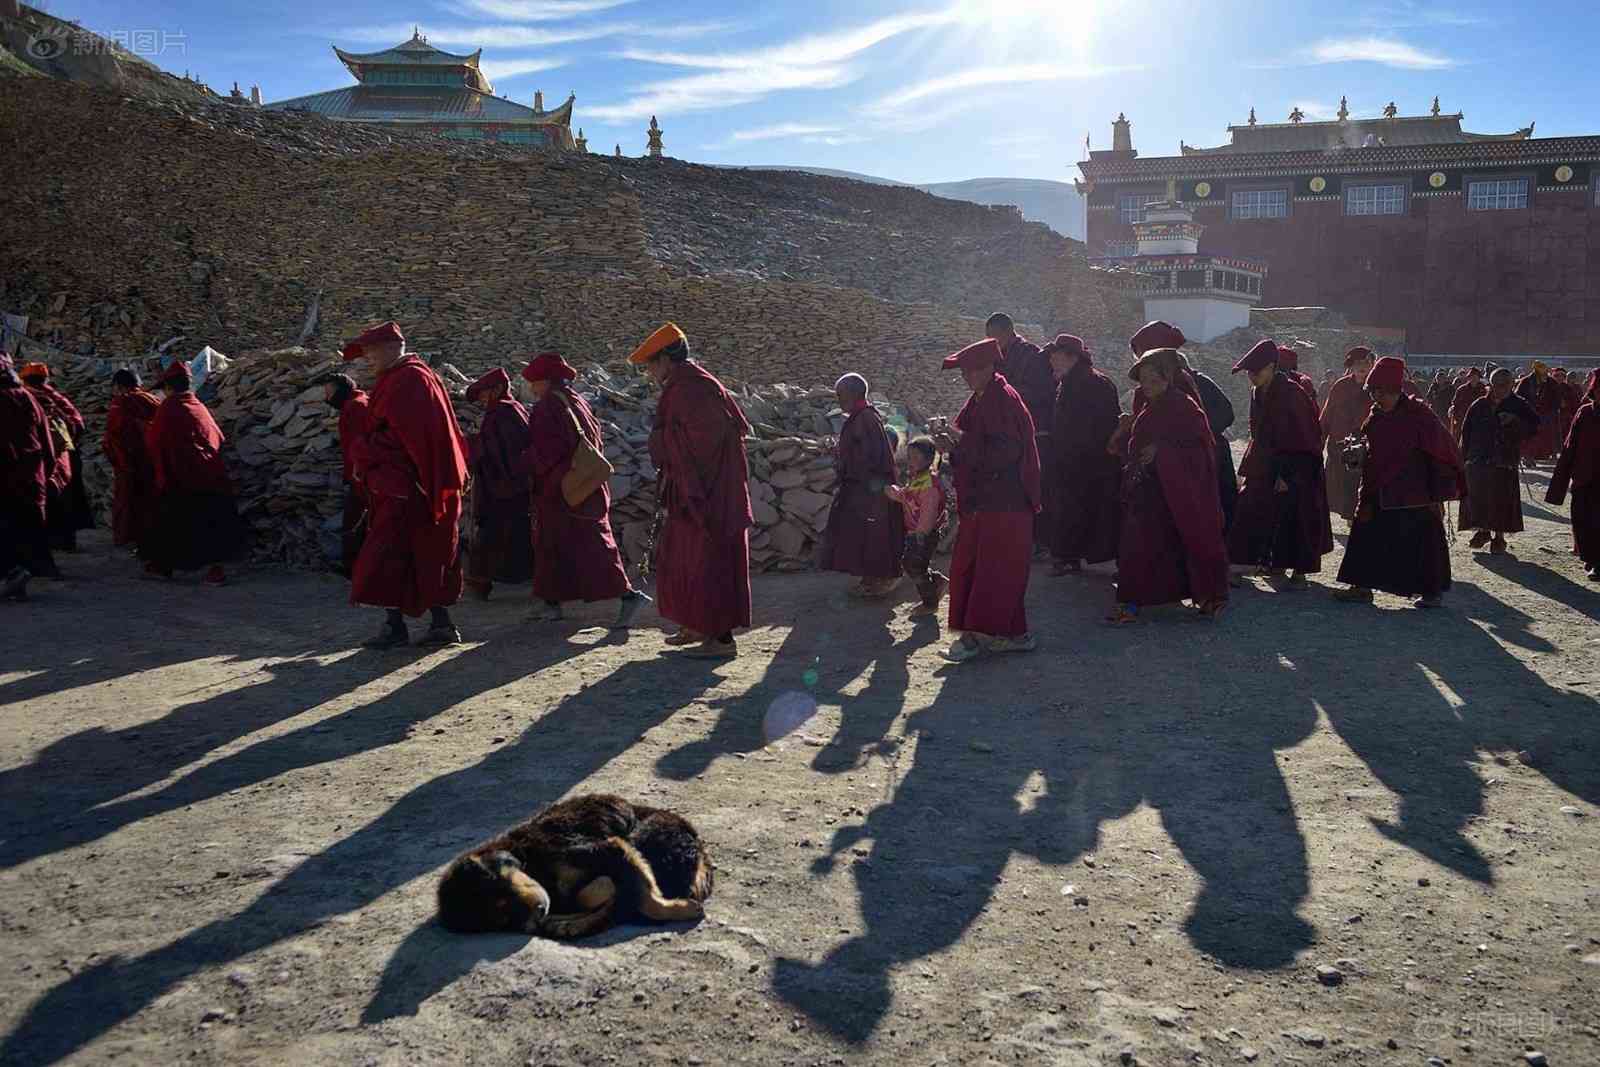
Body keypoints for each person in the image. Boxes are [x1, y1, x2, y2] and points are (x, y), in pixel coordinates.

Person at [343, 321, 469, 648]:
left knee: (391, 555)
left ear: (390, 347)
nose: (367, 359)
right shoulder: (405, 377)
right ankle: (433, 624)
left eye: (370, 351)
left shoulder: (409, 381)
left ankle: (401, 625)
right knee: (423, 552)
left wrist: (363, 449)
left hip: (410, 487)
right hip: (410, 485)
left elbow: (409, 440)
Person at [633, 323, 753, 660]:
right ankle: (695, 624)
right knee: (683, 560)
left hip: (709, 495)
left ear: (667, 360)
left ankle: (721, 639)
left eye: (651, 365)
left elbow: (704, 442)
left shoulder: (692, 389)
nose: (649, 373)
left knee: (709, 562)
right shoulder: (685, 385)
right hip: (693, 491)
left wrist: (661, 439)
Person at [520, 352, 649, 627]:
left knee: (591, 548)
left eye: (535, 382)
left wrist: (524, 460)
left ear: (546, 381)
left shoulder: (548, 407)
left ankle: (629, 596)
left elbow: (548, 451)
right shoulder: (576, 400)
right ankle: (551, 602)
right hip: (584, 485)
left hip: (563, 489)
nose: (532, 388)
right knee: (558, 546)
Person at [933, 338, 1040, 662]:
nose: (968, 377)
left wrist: (960, 445)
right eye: (965, 371)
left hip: (1005, 499)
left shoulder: (1003, 400)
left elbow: (1006, 452)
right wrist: (948, 442)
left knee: (995, 569)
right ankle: (1011, 635)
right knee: (981, 565)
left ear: (992, 368)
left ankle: (978, 638)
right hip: (986, 498)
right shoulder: (980, 400)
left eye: (975, 370)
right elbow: (967, 439)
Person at [1108, 347, 1229, 623]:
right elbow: (1139, 444)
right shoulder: (1150, 405)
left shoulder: (1184, 407)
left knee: (1189, 539)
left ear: (1169, 379)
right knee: (1139, 546)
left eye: (1154, 380)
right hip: (1150, 490)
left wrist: (1163, 451)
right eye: (1144, 380)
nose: (1147, 386)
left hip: (1179, 490)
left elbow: (1201, 449)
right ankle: (1134, 601)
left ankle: (1210, 595)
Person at [1334, 356, 1464, 608]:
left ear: (1395, 391)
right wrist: (1359, 451)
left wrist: (1436, 490)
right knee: (1365, 534)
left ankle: (1431, 592)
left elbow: (1444, 452)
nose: (1376, 399)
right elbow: (1371, 445)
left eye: (1381, 393)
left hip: (1413, 494)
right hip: (1378, 488)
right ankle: (1361, 586)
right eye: (1373, 393)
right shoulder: (1376, 415)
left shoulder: (1420, 416)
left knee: (1421, 542)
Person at [1228, 339, 1333, 588]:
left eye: (1257, 371)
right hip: (1265, 461)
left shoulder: (1292, 394)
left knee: (1295, 515)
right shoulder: (1257, 392)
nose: (1252, 377)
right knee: (1248, 507)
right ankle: (1240, 564)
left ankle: (1298, 569)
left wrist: (1288, 474)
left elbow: (1306, 436)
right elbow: (1259, 433)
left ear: (1273, 367)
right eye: (1249, 373)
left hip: (1298, 462)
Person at [1119, 321, 1238, 531]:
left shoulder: (1194, 383)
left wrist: (1195, 430)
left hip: (1202, 458)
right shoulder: (1149, 390)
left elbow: (1225, 414)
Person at [139, 360, 245, 585]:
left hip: (183, 477)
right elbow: (217, 437)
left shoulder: (169, 407)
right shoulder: (197, 405)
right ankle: (213, 570)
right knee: (209, 525)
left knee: (171, 521)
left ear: (169, 387)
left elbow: (155, 441)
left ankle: (162, 566)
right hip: (210, 474)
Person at [818, 373, 903, 598]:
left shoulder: (865, 418)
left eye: (841, 395)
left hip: (869, 488)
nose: (838, 400)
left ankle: (881, 580)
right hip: (861, 487)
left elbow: (871, 456)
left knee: (874, 535)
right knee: (862, 535)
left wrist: (859, 481)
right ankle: (869, 578)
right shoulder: (860, 417)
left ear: (854, 394)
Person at [1043, 334, 1120, 575]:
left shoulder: (1094, 383)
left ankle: (1069, 557)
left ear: (1071, 357)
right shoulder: (1069, 381)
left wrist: (1076, 450)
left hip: (1085, 460)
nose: (1052, 361)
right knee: (1071, 508)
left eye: (1055, 356)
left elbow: (1104, 423)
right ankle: (1070, 556)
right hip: (1071, 458)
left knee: (1076, 509)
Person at [985, 313, 1056, 553]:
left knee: (1035, 485)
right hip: (1009, 433)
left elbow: (1043, 392)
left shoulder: (1031, 356)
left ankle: (1040, 541)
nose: (991, 342)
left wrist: (1008, 392)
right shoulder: (998, 358)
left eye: (994, 336)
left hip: (1035, 431)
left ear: (1007, 332)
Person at [461, 367, 533, 600]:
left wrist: (471, 445)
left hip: (502, 486)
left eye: (484, 393)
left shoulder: (502, 413)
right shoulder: (512, 410)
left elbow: (500, 450)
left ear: (498, 389)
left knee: (492, 536)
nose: (482, 399)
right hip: (513, 485)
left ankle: (480, 583)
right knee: (514, 534)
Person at [1458, 368, 1538, 554]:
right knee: (1479, 497)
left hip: (1504, 459)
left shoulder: (1519, 405)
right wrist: (1463, 457)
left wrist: (1515, 421)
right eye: (1497, 385)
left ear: (1511, 385)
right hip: (1478, 458)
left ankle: (1499, 538)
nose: (1501, 389)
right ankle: (1483, 531)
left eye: (1505, 385)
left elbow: (1534, 426)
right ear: (1491, 385)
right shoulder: (1479, 405)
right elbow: (1466, 431)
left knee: (1501, 499)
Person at [19, 362, 93, 552]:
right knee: (66, 497)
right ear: (46, 379)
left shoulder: (26, 397)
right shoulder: (57, 398)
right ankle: (66, 541)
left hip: (38, 457)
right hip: (65, 454)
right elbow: (78, 424)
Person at [0, 351, 54, 598]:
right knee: (23, 527)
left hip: (6, 477)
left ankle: (13, 573)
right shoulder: (28, 398)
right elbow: (46, 438)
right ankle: (19, 576)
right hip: (31, 475)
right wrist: (48, 469)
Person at [885, 437, 949, 615]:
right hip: (916, 532)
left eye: (915, 457)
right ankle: (937, 582)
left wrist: (921, 533)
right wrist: (893, 493)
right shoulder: (918, 479)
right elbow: (908, 496)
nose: (910, 460)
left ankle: (930, 602)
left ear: (928, 460)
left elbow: (928, 512)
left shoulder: (929, 484)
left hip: (924, 533)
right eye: (909, 455)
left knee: (913, 565)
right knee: (914, 564)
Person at [317, 372, 370, 577]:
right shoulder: (359, 402)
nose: (327, 398)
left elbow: (360, 445)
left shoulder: (355, 408)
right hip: (360, 476)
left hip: (362, 478)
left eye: (329, 392)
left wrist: (357, 474)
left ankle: (354, 568)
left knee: (354, 523)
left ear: (340, 390)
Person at [1548, 372, 1600, 579]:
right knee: (1583, 519)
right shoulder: (1585, 413)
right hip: (1584, 477)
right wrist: (1559, 483)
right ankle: (1590, 557)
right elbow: (1570, 447)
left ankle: (1598, 562)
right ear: (1593, 392)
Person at [103, 368, 161, 550]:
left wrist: (115, 457)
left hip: (128, 461)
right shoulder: (152, 400)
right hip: (151, 460)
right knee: (149, 499)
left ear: (119, 386)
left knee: (128, 501)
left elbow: (113, 434)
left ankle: (129, 538)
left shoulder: (121, 403)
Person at [1320, 346, 1375, 521]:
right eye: (1358, 363)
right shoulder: (1340, 386)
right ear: (1350, 366)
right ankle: (1351, 519)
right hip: (1340, 446)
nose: (1362, 367)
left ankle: (1357, 520)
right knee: (1340, 486)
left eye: (1366, 363)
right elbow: (1327, 416)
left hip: (1367, 447)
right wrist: (1317, 443)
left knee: (1362, 486)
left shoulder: (1377, 387)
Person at [1515, 361, 1566, 463]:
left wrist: (1552, 408)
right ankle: (1528, 456)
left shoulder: (1551, 382)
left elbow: (1557, 399)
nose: (1545, 375)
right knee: (1529, 436)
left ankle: (1552, 453)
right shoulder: (1526, 382)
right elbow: (1518, 396)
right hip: (1530, 413)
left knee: (1548, 434)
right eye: (1542, 374)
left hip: (1547, 414)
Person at [1449, 367, 1487, 439]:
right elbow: (1455, 403)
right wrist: (1454, 412)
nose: (1473, 379)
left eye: (1475, 376)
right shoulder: (1461, 389)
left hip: (1480, 421)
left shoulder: (1485, 389)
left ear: (1479, 378)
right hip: (1463, 420)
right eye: (1471, 376)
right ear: (1468, 378)